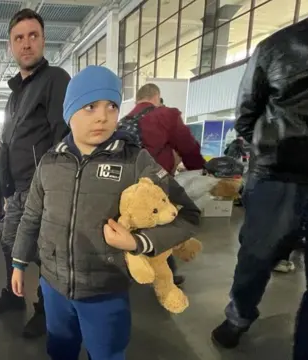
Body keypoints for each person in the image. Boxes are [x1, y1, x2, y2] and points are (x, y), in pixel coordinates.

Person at [11, 66, 200, 359]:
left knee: (107, 353)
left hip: (105, 291)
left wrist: (137, 243)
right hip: (53, 286)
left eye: (111, 106)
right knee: (60, 348)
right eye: (90, 107)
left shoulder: (136, 161)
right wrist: (19, 263)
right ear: (70, 113)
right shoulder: (49, 163)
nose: (102, 116)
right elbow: (32, 216)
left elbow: (188, 215)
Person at [210, 11, 308, 358]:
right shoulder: (278, 46)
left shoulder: (276, 46)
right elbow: (247, 114)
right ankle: (239, 316)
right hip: (278, 173)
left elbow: (245, 115)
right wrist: (268, 151)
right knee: (256, 258)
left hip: (282, 170)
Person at [0, 8, 71, 339]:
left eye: (33, 36)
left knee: (44, 254)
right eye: (19, 38)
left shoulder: (55, 80)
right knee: (9, 243)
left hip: (43, 189)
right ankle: (13, 294)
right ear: (11, 46)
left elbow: (63, 137)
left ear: (43, 40)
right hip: (16, 188)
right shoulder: (15, 94)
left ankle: (46, 311)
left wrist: (53, 188)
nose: (26, 43)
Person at [120, 83, 206, 285]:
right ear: (157, 97)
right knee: (166, 223)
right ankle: (167, 275)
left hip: (129, 186)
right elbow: (188, 147)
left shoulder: (124, 121)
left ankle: (135, 270)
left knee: (134, 226)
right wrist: (199, 168)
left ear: (137, 100)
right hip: (157, 183)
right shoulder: (166, 115)